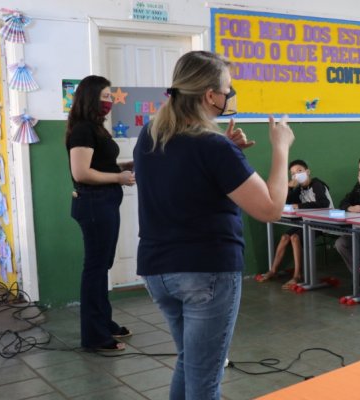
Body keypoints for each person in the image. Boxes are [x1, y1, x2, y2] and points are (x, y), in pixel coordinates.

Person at [134, 51, 295, 399]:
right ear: (210, 95)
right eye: (227, 89)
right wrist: (281, 149)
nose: (228, 96)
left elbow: (191, 176)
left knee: (189, 361)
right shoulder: (212, 146)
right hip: (205, 270)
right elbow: (270, 208)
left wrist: (228, 150)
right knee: (205, 380)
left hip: (157, 269)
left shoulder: (151, 134)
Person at [66, 75, 137, 352]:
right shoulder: (83, 129)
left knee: (102, 265)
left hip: (104, 202)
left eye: (110, 96)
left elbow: (101, 164)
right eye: (104, 96)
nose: (108, 101)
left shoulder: (95, 128)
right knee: (95, 269)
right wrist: (119, 178)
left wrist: (125, 165)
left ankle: (104, 323)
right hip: (94, 203)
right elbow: (81, 173)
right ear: (90, 97)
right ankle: (94, 336)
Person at [257, 160, 333, 288]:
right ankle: (273, 270)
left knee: (295, 237)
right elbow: (285, 202)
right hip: (308, 223)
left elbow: (323, 203)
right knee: (284, 237)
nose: (296, 175)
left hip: (324, 223)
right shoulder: (300, 189)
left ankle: (297, 275)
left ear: (307, 172)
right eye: (293, 173)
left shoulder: (317, 184)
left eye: (299, 171)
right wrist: (289, 187)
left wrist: (299, 205)